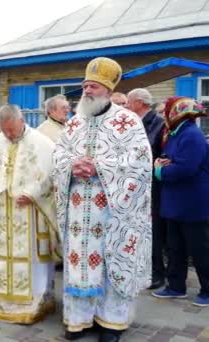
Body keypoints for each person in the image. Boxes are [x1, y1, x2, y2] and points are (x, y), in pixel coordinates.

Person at [53, 57, 152, 341]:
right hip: (77, 211)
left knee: (108, 265)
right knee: (78, 263)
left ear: (108, 91)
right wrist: (71, 165)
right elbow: (58, 155)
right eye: (85, 85)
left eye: (94, 86)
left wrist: (100, 167)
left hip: (110, 212)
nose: (87, 91)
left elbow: (140, 163)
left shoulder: (128, 121)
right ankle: (79, 319)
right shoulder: (73, 124)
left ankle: (111, 322)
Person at [0, 104, 60, 324]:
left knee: (29, 258)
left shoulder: (43, 144)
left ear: (22, 121)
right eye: (5, 131)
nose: (9, 135)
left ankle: (33, 303)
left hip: (29, 212)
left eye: (13, 131)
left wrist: (32, 194)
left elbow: (50, 176)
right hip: (1, 212)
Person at [151, 97, 209, 308]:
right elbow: (170, 157)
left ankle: (207, 289)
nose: (162, 116)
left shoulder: (191, 135)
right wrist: (163, 161)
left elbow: (186, 168)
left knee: (200, 248)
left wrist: (160, 169)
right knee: (176, 248)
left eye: (163, 112)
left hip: (192, 202)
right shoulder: (177, 133)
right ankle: (176, 286)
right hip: (176, 202)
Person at [127, 88, 167, 290]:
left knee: (155, 231)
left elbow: (155, 153)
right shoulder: (135, 123)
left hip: (153, 186)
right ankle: (142, 270)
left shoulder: (158, 124)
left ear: (140, 103)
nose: (126, 107)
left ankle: (157, 274)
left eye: (128, 102)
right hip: (136, 186)